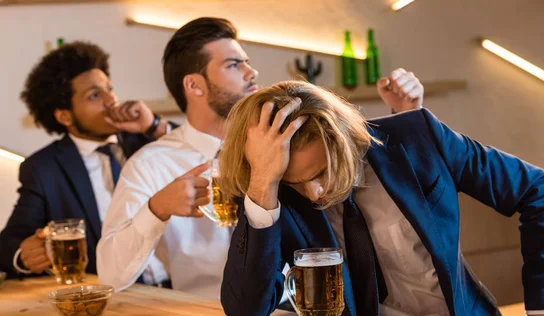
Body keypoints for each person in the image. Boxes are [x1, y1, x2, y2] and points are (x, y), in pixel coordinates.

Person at [217, 80, 544, 316]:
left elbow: (538, 190)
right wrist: (265, 182)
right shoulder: (271, 189)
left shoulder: (419, 138)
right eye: (297, 182)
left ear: (344, 140)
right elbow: (247, 310)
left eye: (323, 171)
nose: (315, 193)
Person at [96, 16, 424, 294]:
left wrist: (403, 118)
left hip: (316, 315)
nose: (252, 73)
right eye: (234, 64)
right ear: (194, 86)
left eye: (247, 62)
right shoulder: (152, 165)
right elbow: (111, 275)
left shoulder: (293, 142)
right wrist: (157, 209)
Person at [0, 41, 173, 284]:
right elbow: (9, 243)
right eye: (95, 95)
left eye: (109, 88)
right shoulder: (44, 168)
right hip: (119, 297)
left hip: (182, 284)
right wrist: (24, 255)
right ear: (64, 116)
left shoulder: (146, 139)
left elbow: (204, 152)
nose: (111, 100)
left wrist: (155, 126)